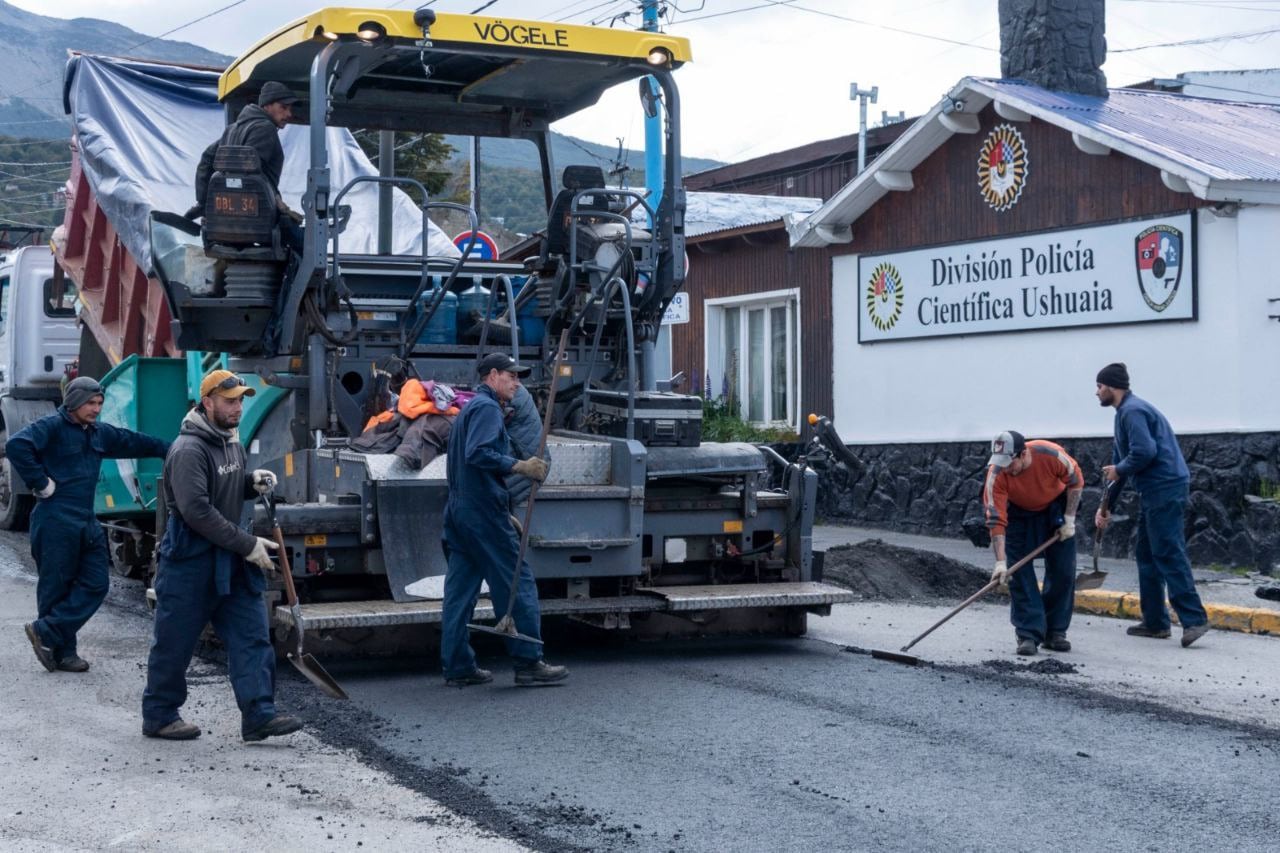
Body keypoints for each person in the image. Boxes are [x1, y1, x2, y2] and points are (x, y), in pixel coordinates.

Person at [141, 370, 302, 741]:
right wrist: (248, 545)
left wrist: (249, 483)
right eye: (230, 401)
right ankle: (160, 715)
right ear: (208, 402)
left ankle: (259, 714)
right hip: (190, 560)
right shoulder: (187, 450)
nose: (238, 408)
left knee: (252, 636)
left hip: (228, 556)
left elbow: (223, 488)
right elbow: (197, 511)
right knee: (174, 642)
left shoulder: (231, 442)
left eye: (240, 400)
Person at [7, 377, 170, 673]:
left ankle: (45, 632)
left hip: (85, 519)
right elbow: (17, 445)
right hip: (55, 519)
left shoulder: (97, 433)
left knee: (96, 583)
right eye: (90, 403)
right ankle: (64, 653)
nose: (96, 409)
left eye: (99, 403)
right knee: (56, 588)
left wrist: (172, 448)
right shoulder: (52, 428)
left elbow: (133, 440)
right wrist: (41, 483)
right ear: (73, 401)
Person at [440, 353, 568, 687]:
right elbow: (478, 453)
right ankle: (528, 662)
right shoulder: (487, 409)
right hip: (482, 511)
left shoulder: (469, 409)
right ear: (492, 375)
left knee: (460, 589)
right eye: (511, 376)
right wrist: (520, 466)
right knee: (516, 580)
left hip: (460, 511)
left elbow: (467, 461)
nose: (517, 382)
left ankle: (458, 666)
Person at [1094, 362, 1210, 648]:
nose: (1096, 393)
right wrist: (1105, 507)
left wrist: (1119, 469)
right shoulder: (1124, 413)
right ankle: (1156, 622)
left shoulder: (1133, 411)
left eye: (1099, 386)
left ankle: (1194, 619)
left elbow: (1143, 453)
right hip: (1155, 489)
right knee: (1146, 554)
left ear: (1112, 386)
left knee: (1168, 551)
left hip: (1165, 487)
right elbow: (1121, 464)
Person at [983, 430, 1083, 656]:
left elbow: (1075, 481)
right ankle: (1028, 633)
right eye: (1002, 464)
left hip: (1055, 509)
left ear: (1023, 453)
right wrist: (1000, 563)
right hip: (1019, 515)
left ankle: (1055, 631)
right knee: (1020, 573)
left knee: (1063, 571)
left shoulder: (1051, 455)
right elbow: (995, 518)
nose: (1007, 469)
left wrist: (1069, 519)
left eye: (1011, 463)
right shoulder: (996, 474)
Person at [193, 80, 304, 254]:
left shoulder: (232, 129)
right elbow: (251, 174)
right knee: (308, 246)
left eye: (290, 109)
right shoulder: (266, 128)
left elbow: (206, 159)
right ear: (267, 105)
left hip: (230, 220)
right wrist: (276, 203)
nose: (289, 114)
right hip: (259, 216)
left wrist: (205, 203)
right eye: (283, 107)